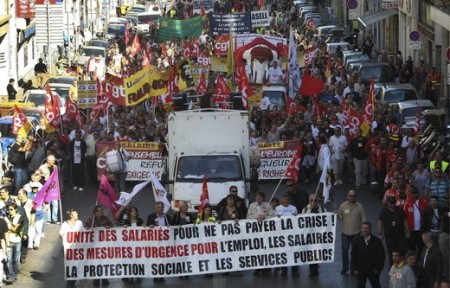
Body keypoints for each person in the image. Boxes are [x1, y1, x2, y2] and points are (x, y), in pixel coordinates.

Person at [337, 190, 366, 275]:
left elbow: (364, 219)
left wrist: (365, 231)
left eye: (353, 196)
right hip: (345, 233)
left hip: (356, 233)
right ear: (347, 196)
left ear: (356, 197)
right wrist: (335, 214)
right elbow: (340, 216)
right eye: (350, 196)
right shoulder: (342, 206)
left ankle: (353, 268)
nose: (352, 198)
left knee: (354, 252)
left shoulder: (360, 207)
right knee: (344, 251)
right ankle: (345, 268)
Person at [85, 205, 112, 286]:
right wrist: (89, 229)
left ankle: (104, 278)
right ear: (95, 212)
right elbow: (85, 230)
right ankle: (96, 278)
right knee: (95, 263)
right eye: (100, 211)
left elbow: (112, 227)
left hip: (104, 245)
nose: (102, 212)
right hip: (94, 245)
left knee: (104, 262)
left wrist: (108, 227)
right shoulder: (90, 220)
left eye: (102, 211)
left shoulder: (105, 218)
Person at [351, 222, 385, 288]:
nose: (365, 230)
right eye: (364, 228)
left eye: (367, 228)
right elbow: (353, 255)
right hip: (361, 269)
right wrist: (354, 268)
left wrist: (378, 268)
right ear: (361, 229)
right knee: (360, 286)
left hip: (373, 269)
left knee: (376, 285)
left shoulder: (377, 241)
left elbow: (382, 256)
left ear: (370, 229)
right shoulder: (357, 241)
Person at [378, 195, 409, 265]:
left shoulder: (400, 211)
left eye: (394, 202)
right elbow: (380, 222)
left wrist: (407, 231)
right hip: (389, 235)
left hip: (400, 234)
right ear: (388, 203)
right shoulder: (383, 212)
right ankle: (392, 266)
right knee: (391, 252)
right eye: (391, 203)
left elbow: (405, 221)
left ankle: (402, 265)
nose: (393, 204)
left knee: (403, 250)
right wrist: (380, 233)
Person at [302, 194, 327, 277]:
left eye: (315, 200)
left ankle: (315, 267)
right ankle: (312, 269)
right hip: (309, 235)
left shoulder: (323, 210)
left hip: (319, 235)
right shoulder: (305, 210)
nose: (313, 202)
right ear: (309, 201)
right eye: (311, 200)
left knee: (317, 252)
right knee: (311, 253)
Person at [146, 201, 171, 282]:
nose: (161, 209)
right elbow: (146, 228)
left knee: (162, 259)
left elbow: (173, 229)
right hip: (155, 242)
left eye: (162, 207)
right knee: (155, 259)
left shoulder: (168, 217)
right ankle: (155, 275)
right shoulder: (151, 217)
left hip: (164, 242)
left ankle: (162, 274)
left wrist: (170, 227)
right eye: (159, 207)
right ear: (155, 208)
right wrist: (149, 227)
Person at [275, 194, 299, 277]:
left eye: (287, 199)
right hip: (281, 234)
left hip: (292, 233)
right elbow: (274, 220)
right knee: (283, 252)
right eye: (285, 199)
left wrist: (296, 215)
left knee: (293, 252)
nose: (286, 200)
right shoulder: (278, 208)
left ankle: (294, 270)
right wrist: (276, 216)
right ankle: (284, 270)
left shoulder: (293, 208)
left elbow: (298, 220)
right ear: (281, 200)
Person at [60, 209, 84, 288]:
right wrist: (65, 237)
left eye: (77, 214)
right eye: (75, 214)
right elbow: (61, 234)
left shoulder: (79, 223)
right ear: (71, 216)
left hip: (77, 249)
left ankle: (72, 284)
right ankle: (69, 284)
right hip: (69, 249)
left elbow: (84, 232)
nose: (77, 215)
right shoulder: (65, 224)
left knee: (76, 266)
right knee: (70, 266)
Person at [4, 203, 25, 283]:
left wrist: (8, 228)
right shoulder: (5, 217)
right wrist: (10, 228)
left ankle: (15, 274)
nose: (9, 211)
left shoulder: (20, 217)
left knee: (15, 260)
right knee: (9, 260)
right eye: (8, 209)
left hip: (17, 241)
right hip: (8, 241)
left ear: (15, 209)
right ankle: (10, 276)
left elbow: (16, 229)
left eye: (11, 209)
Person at [404, 187, 428, 255]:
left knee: (421, 247)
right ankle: (412, 262)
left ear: (418, 193)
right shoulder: (407, 202)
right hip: (411, 230)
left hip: (421, 230)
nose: (414, 194)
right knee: (411, 248)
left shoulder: (423, 201)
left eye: (416, 193)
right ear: (411, 194)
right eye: (413, 193)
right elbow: (404, 217)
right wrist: (406, 229)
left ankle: (419, 261)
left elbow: (427, 214)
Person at [39, 155, 60, 224]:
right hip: (46, 187)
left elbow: (57, 176)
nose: (54, 162)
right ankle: (48, 219)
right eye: (53, 160)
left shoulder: (55, 167)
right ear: (48, 161)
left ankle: (55, 218)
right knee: (48, 203)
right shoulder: (42, 167)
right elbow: (39, 176)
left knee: (55, 203)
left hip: (54, 187)